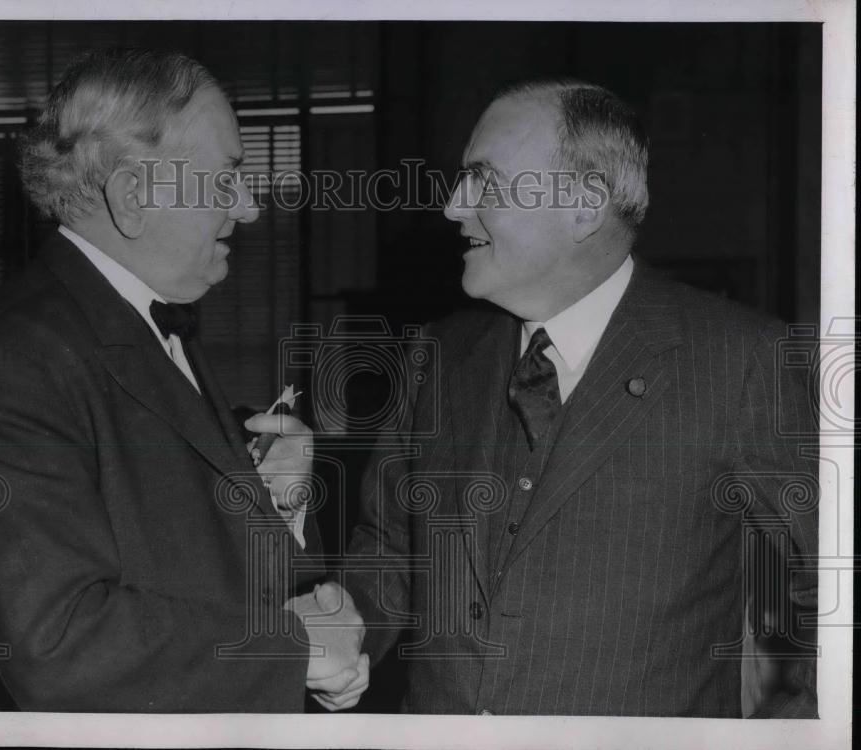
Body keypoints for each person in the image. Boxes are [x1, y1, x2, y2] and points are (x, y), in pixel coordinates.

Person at [342, 79, 817, 716]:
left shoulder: (740, 361)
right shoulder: (437, 357)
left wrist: (798, 730)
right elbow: (390, 550)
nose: (454, 206)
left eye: (484, 180)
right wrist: (346, 632)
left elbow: (834, 581)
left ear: (585, 204)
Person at [0, 47, 367, 713]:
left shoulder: (146, 323)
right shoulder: (18, 358)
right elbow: (61, 642)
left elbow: (184, 569)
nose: (249, 208)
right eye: (226, 179)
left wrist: (274, 509)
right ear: (134, 195)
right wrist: (298, 647)